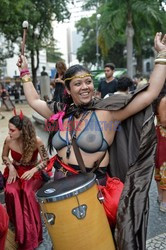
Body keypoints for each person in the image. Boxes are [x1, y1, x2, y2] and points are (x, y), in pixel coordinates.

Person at [17, 32, 166, 250]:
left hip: (95, 190)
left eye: (88, 81)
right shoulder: (60, 112)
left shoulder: (108, 114)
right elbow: (33, 100)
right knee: (68, 243)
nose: (85, 86)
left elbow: (150, 92)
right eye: (78, 84)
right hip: (60, 189)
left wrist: (162, 54)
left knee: (98, 243)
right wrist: (24, 72)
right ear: (67, 89)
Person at [2, 113, 49, 250]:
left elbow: (46, 160)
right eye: (8, 129)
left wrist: (33, 170)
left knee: (27, 193)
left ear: (22, 130)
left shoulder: (36, 141)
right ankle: (17, 228)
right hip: (15, 170)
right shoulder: (8, 140)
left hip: (32, 172)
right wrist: (10, 166)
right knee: (11, 191)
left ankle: (31, 235)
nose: (9, 132)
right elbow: (4, 156)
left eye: (12, 130)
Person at [153, 84, 166, 212]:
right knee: (164, 168)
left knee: (160, 167)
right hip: (164, 136)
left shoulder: (160, 97)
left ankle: (161, 197)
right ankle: (164, 201)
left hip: (161, 136)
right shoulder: (164, 99)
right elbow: (164, 120)